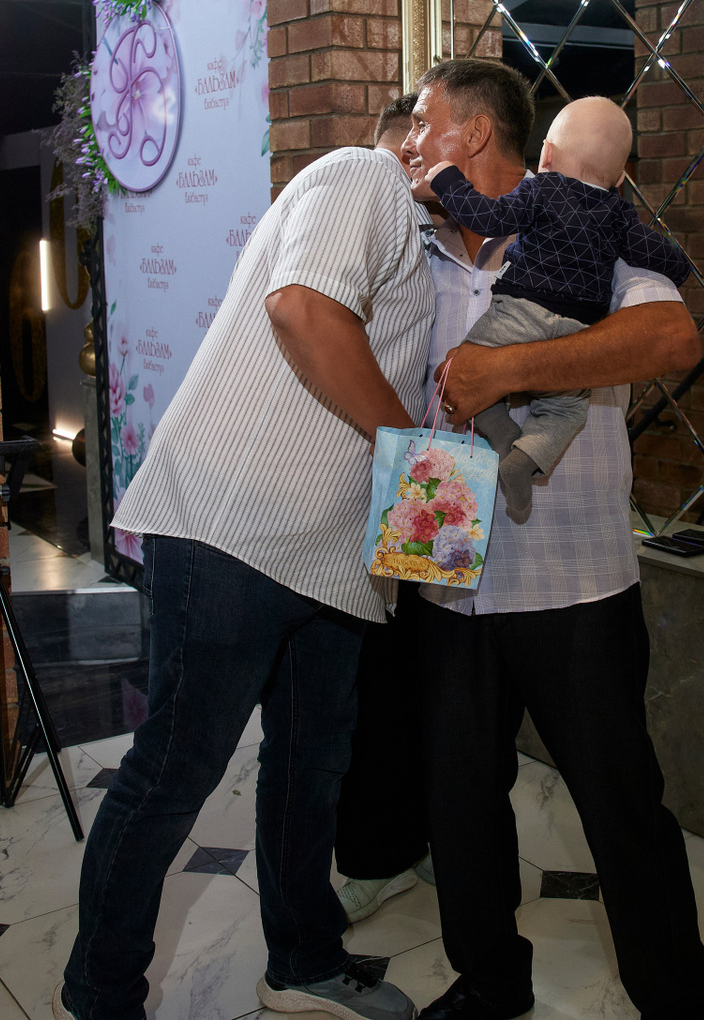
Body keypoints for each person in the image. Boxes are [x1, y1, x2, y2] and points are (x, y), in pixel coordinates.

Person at [55, 94, 433, 1020]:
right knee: (175, 770)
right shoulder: (367, 174)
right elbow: (301, 309)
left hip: (330, 554)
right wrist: (416, 454)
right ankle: (97, 995)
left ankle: (302, 963)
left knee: (310, 768)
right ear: (427, 139)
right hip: (239, 532)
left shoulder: (416, 232)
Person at [397, 59, 704, 1020]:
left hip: (573, 576)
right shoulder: (406, 244)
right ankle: (489, 979)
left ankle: (676, 1000)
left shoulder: (591, 224)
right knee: (458, 796)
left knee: (620, 801)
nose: (409, 143)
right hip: (439, 554)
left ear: (474, 134)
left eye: (423, 123)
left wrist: (508, 370)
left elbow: (672, 340)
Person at [417, 96, 691, 521]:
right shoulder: (619, 216)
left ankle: (503, 435)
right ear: (620, 177)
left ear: (545, 155)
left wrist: (447, 180)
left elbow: (488, 218)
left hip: (520, 312)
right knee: (565, 409)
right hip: (577, 326)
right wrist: (681, 263)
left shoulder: (540, 190)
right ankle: (526, 457)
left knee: (464, 369)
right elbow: (665, 258)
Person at [332, 93, 434, 925]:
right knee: (376, 681)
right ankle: (374, 853)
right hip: (382, 485)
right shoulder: (359, 224)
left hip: (446, 491)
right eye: (411, 152)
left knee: (435, 680)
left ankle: (432, 834)